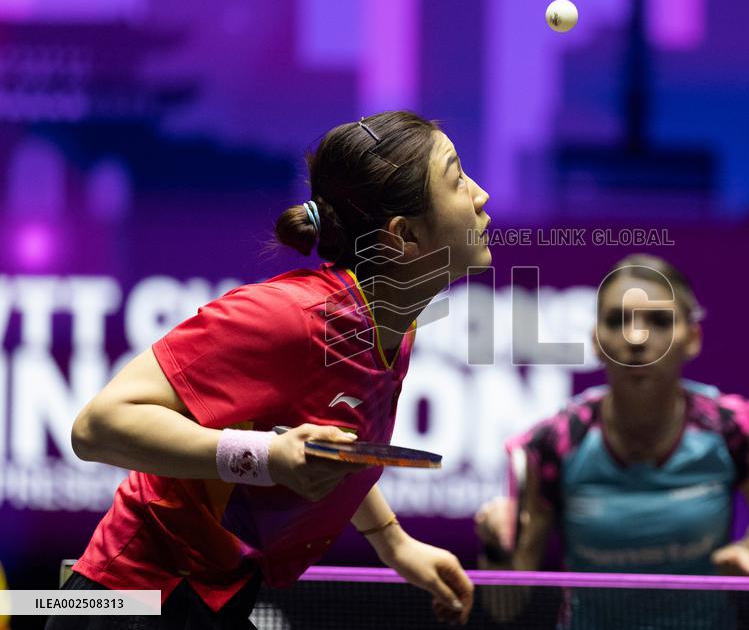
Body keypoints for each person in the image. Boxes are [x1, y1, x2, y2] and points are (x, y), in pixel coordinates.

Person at [51, 111, 492, 629]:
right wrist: (265, 457)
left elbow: (334, 448)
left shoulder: (390, 323)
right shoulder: (288, 318)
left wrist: (394, 544)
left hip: (213, 596)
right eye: (457, 178)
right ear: (405, 237)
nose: (481, 195)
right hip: (126, 600)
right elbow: (95, 427)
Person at [476, 254, 749, 628]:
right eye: (616, 321)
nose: (637, 338)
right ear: (597, 341)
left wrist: (747, 551)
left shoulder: (731, 428)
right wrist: (495, 550)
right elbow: (504, 607)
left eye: (659, 321)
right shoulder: (555, 443)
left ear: (692, 338)